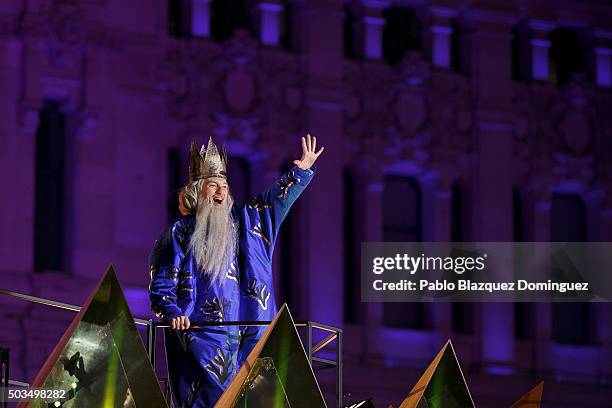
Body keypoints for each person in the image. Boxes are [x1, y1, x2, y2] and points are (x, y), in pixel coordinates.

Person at [149, 135, 324, 407]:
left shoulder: (247, 222)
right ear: (197, 190)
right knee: (209, 397)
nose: (220, 192)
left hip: (248, 328)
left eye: (224, 186)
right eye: (213, 186)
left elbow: (273, 202)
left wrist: (300, 171)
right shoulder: (180, 231)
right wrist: (171, 311)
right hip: (201, 335)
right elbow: (162, 281)